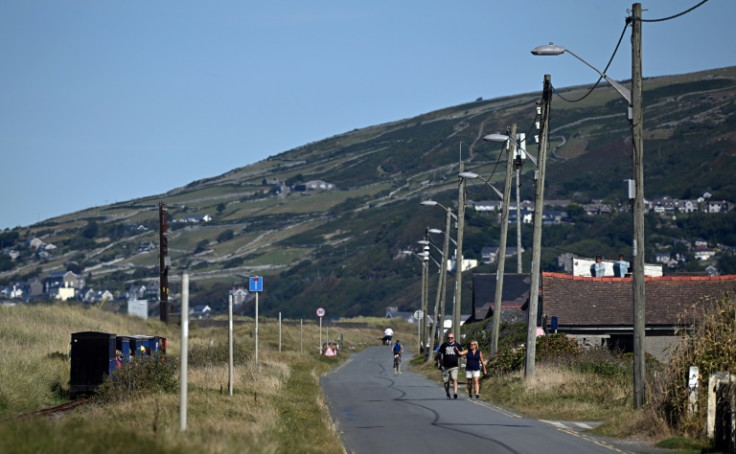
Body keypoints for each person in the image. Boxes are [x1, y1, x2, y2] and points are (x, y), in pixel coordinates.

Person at [438, 333, 461, 399]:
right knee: (446, 381)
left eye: (451, 338)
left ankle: (455, 393)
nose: (450, 339)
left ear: (454, 338)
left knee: (454, 379)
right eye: (449, 338)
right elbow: (439, 354)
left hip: (454, 366)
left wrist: (457, 351)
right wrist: (440, 362)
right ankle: (447, 392)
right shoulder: (444, 345)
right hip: (445, 366)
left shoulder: (457, 345)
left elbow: (460, 354)